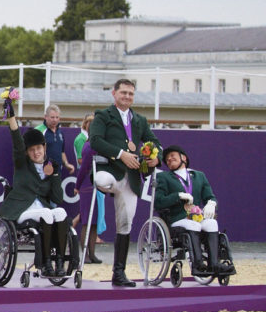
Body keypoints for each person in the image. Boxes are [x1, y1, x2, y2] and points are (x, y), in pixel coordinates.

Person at [89, 78, 160, 287]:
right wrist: (120, 154)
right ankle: (104, 187)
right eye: (123, 93)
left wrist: (156, 156)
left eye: (131, 93)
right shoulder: (103, 115)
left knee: (126, 223)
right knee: (102, 181)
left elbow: (154, 142)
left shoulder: (140, 120)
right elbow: (95, 140)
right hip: (110, 171)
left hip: (131, 177)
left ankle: (118, 272)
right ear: (114, 93)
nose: (127, 96)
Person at [3, 115, 71, 277]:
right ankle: (45, 264)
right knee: (47, 213)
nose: (36, 152)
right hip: (22, 210)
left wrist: (54, 175)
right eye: (31, 150)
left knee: (60, 212)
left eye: (38, 148)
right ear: (27, 152)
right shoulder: (22, 163)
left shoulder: (51, 165)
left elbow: (57, 198)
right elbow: (17, 142)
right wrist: (11, 117)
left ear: (44, 147)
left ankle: (59, 262)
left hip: (42, 209)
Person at [154, 145, 232, 276]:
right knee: (193, 224)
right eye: (166, 159)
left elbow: (210, 196)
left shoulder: (199, 176)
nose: (169, 159)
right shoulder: (164, 177)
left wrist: (211, 204)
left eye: (172, 156)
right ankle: (198, 264)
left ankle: (214, 263)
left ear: (183, 158)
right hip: (176, 218)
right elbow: (159, 201)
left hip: (196, 217)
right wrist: (177, 196)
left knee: (212, 223)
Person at [72, 112, 106, 264]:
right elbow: (83, 168)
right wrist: (78, 186)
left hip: (96, 186)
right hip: (88, 186)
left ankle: (91, 253)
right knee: (86, 221)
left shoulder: (96, 144)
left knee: (93, 223)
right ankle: (85, 254)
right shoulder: (88, 146)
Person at [34, 105, 75, 175]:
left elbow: (61, 152)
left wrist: (66, 164)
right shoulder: (38, 131)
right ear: (45, 117)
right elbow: (32, 152)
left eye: (57, 117)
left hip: (57, 172)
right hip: (41, 172)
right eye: (52, 117)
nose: (55, 120)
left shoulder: (60, 133)